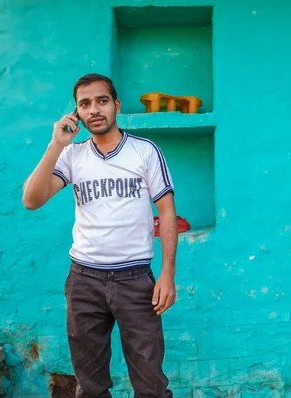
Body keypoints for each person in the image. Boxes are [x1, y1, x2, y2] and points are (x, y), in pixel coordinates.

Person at [22, 73, 177, 397]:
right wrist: (56, 145)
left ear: (116, 105)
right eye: (85, 104)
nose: (94, 109)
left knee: (151, 384)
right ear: (76, 113)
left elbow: (165, 212)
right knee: (91, 387)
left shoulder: (145, 151)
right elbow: (32, 200)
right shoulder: (72, 155)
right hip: (84, 281)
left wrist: (167, 274)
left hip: (135, 280)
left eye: (102, 101)